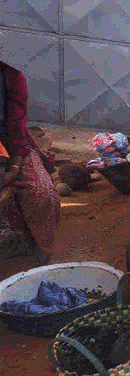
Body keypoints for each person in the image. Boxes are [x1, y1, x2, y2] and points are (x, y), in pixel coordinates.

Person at [0, 53, 60, 261]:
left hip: (10, 146)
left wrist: (14, 168)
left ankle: (34, 241)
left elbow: (16, 126)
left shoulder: (11, 77)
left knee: (40, 192)